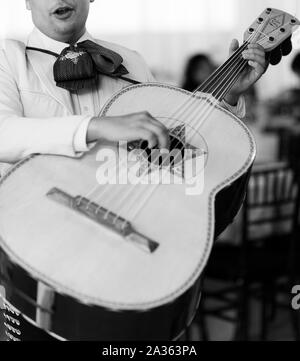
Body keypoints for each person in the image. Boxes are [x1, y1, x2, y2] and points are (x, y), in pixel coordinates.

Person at [0, 0, 293, 341]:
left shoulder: (132, 63)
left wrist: (224, 98)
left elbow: (171, 152)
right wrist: (97, 127)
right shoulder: (8, 58)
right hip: (36, 252)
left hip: (131, 261)